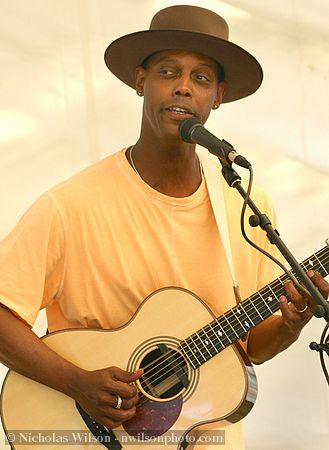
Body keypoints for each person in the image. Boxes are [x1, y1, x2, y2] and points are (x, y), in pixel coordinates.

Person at [0, 5, 328, 450]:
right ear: (140, 81)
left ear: (218, 97)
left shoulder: (245, 205)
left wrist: (290, 323)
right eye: (168, 71)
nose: (183, 87)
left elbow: (250, 349)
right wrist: (78, 383)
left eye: (202, 79)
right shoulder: (70, 205)